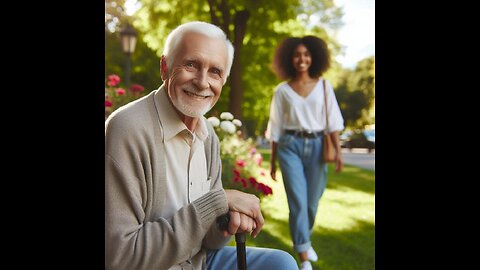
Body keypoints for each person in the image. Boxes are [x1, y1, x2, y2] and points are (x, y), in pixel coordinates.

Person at [105, 21, 298, 270]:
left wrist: (227, 221)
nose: (202, 82)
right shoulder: (128, 128)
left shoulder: (208, 135)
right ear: (165, 67)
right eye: (191, 64)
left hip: (199, 261)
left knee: (281, 263)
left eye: (215, 71)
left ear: (224, 80)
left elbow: (210, 240)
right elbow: (119, 257)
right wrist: (219, 202)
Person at [265, 36, 345, 270]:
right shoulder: (281, 91)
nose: (302, 59)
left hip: (319, 146)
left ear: (314, 58)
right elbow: (276, 128)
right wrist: (272, 162)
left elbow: (333, 123)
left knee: (311, 204)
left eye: (306, 54)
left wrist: (339, 153)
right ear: (290, 59)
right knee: (298, 202)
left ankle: (303, 239)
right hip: (290, 147)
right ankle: (303, 256)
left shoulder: (324, 86)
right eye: (297, 54)